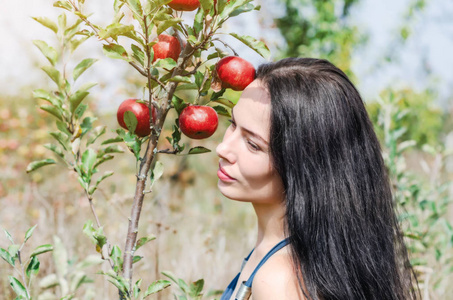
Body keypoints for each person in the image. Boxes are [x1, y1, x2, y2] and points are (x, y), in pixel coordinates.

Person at [215, 58, 420, 300]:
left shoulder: (279, 282)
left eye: (252, 144)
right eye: (232, 124)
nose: (223, 148)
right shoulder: (283, 258)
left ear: (303, 165)